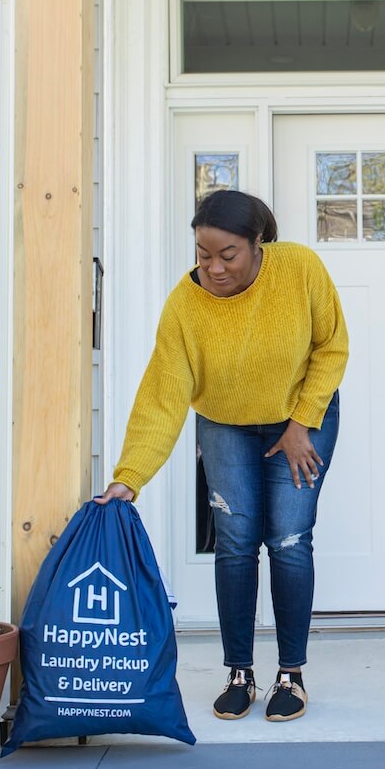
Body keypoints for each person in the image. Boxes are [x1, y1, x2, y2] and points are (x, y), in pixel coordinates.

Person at [97, 189, 348, 722]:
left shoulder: (299, 268)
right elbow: (162, 396)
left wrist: (304, 421)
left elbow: (331, 345)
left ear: (258, 244)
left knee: (288, 538)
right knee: (235, 541)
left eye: (226, 255)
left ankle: (291, 675)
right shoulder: (185, 307)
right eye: (202, 254)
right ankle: (239, 672)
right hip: (225, 422)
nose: (212, 267)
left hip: (301, 418)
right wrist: (129, 477)